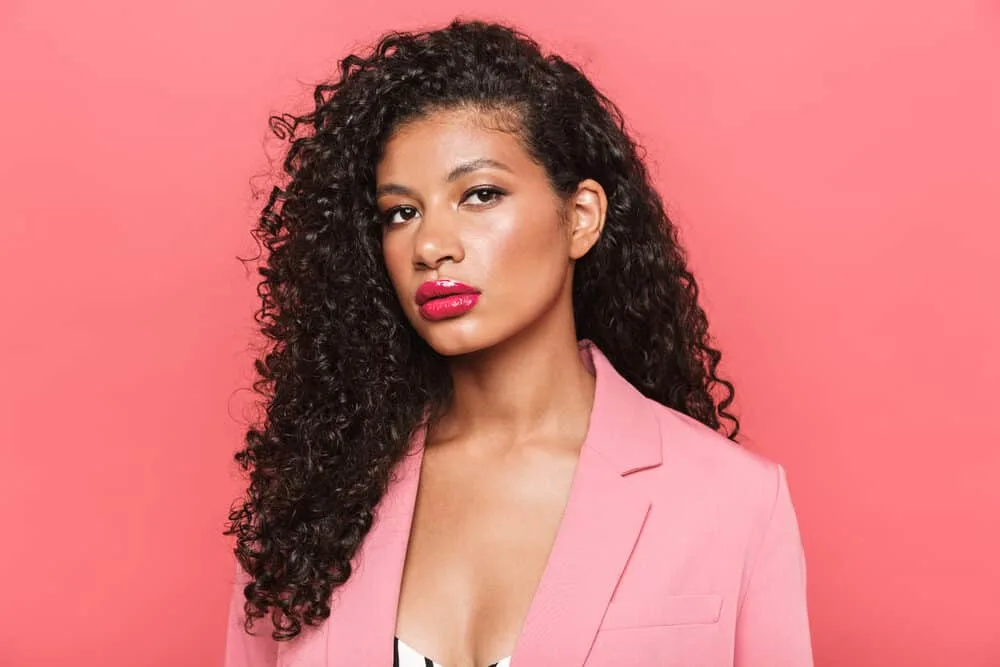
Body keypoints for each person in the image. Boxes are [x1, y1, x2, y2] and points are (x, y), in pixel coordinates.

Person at [223, 18, 813, 667]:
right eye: (401, 211)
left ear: (580, 217)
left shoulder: (732, 500)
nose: (430, 245)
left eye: (479, 194)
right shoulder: (317, 498)